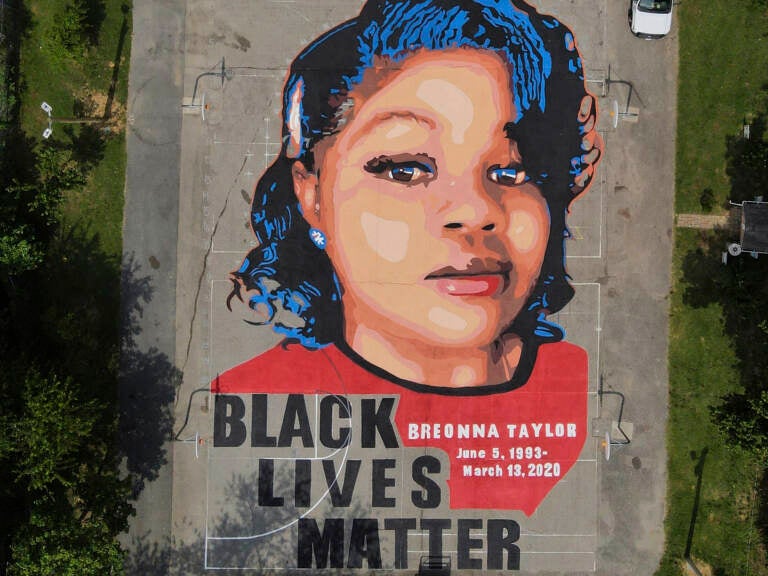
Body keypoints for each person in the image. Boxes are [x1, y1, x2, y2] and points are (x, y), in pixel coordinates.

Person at [215, 0, 601, 517]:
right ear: (312, 197)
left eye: (512, 171)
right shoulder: (245, 400)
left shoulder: (579, 394)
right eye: (406, 169)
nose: (476, 211)